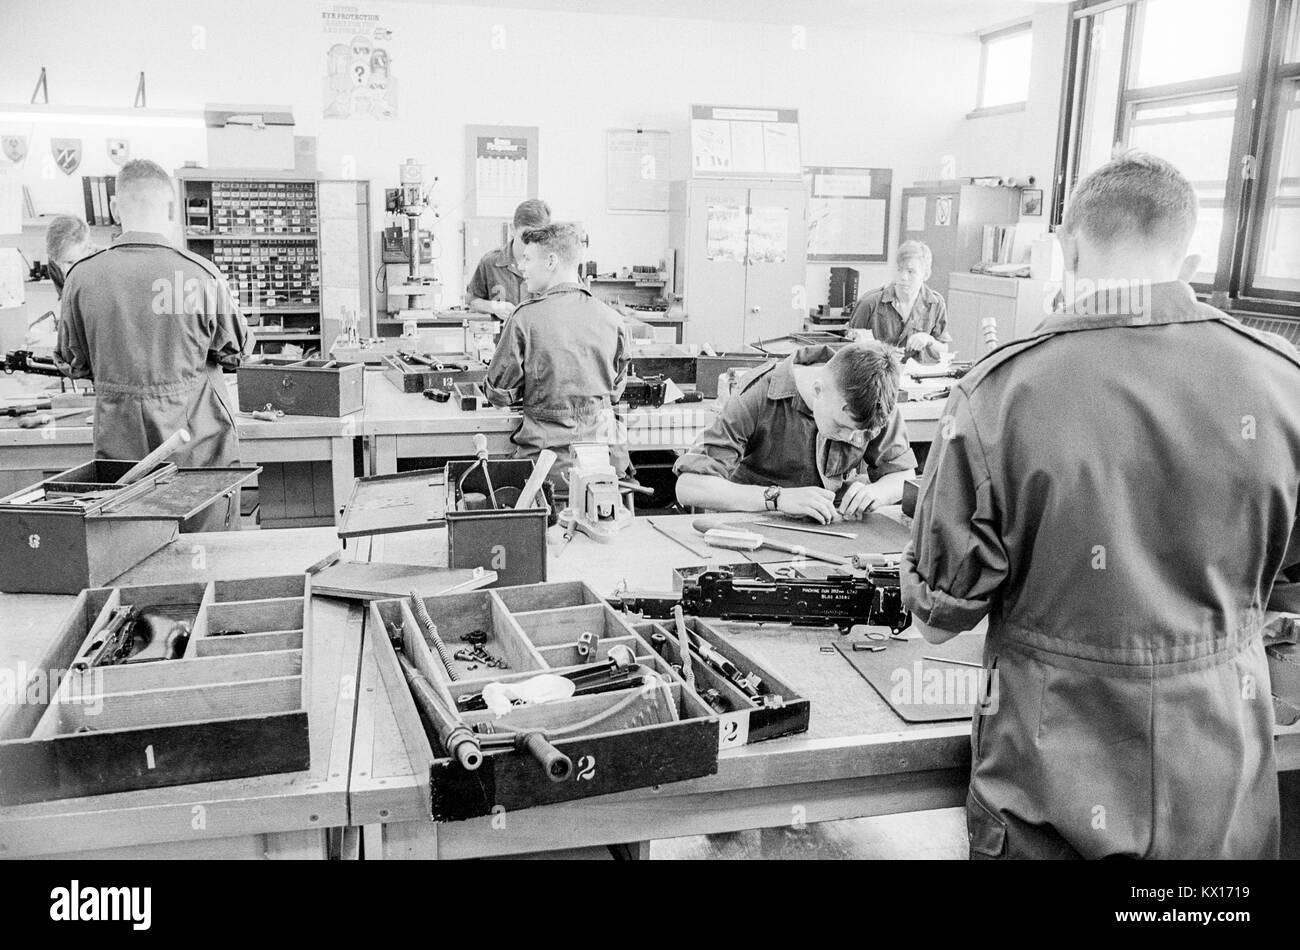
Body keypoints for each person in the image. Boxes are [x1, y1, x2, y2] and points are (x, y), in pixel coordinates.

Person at [902, 150, 1300, 859]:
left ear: (1067, 246)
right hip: (1220, 783)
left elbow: (938, 616)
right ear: (1191, 257)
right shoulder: (1283, 384)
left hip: (1050, 777)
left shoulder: (1000, 394)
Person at [55, 159, 253, 531]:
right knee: (211, 557)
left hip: (122, 459)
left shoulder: (80, 278)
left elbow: (74, 363)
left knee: (128, 554)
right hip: (198, 454)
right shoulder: (200, 274)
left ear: (115, 207)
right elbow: (236, 352)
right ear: (172, 207)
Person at [674, 343, 916, 524]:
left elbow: (904, 475)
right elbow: (689, 487)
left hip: (833, 528)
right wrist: (776, 499)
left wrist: (876, 492)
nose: (851, 439)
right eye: (842, 427)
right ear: (818, 390)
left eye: (862, 434)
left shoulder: (872, 398)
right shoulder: (757, 396)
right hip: (755, 523)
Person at [484, 222, 630, 485]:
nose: (521, 267)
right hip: (605, 467)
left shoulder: (525, 318)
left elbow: (498, 393)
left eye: (527, 259)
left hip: (546, 471)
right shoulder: (613, 319)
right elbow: (616, 391)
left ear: (551, 261)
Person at [847, 240, 949, 363]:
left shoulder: (936, 304)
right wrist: (882, 353)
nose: (903, 277)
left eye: (911, 272)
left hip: (916, 377)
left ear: (926, 274)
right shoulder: (870, 303)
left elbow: (944, 349)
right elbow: (848, 350)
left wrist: (928, 340)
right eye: (899, 269)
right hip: (876, 376)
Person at [467, 198, 551, 320]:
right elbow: (471, 300)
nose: (532, 242)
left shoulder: (551, 264)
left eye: (539, 237)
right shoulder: (490, 262)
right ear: (512, 229)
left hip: (538, 338)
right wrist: (493, 306)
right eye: (526, 235)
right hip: (503, 337)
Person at [45, 215, 92, 298]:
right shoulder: (53, 262)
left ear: (89, 249)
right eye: (59, 262)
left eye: (70, 262)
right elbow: (65, 299)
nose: (65, 270)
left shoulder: (105, 266)